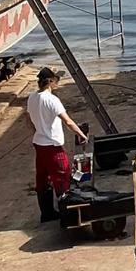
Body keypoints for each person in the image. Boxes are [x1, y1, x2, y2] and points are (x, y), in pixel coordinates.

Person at [26, 67, 88, 222]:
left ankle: (46, 214)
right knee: (63, 176)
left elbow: (28, 120)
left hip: (39, 144)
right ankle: (67, 215)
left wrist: (38, 131)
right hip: (53, 146)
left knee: (42, 178)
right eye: (56, 80)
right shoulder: (52, 100)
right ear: (50, 82)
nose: (58, 82)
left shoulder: (32, 98)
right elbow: (67, 121)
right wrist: (81, 134)